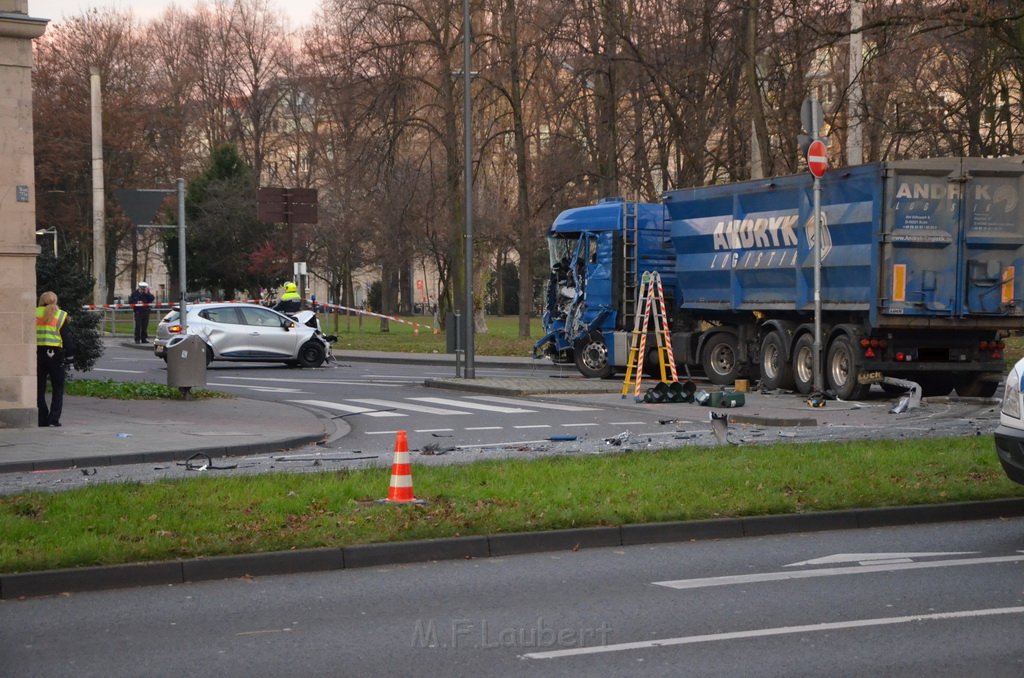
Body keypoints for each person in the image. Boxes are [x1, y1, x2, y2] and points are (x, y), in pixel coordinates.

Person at [36, 291, 74, 428]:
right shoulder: (61, 315)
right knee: (58, 387)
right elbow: (66, 336)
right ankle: (54, 418)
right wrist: (70, 354)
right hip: (55, 354)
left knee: (39, 388)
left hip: (38, 354)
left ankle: (42, 418)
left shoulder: (34, 313)